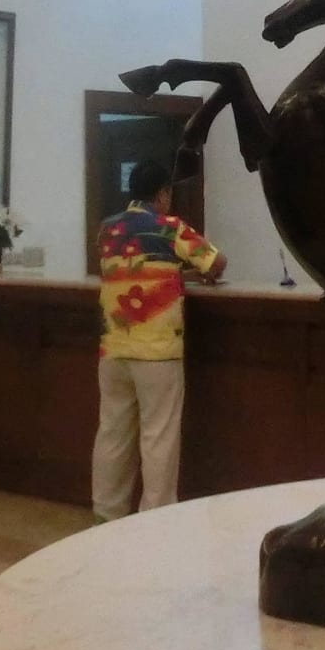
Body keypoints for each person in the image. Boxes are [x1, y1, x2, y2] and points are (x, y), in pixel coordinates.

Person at [92, 159, 225, 521]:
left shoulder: (107, 229)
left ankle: (105, 516)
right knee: (158, 438)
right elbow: (216, 263)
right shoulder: (170, 227)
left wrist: (175, 274)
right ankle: (156, 521)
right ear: (163, 194)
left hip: (113, 348)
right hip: (157, 352)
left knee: (112, 433)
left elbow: (131, 267)